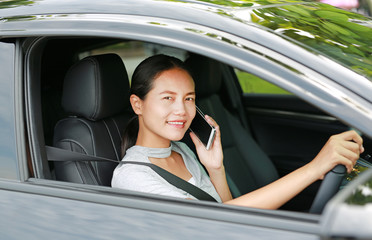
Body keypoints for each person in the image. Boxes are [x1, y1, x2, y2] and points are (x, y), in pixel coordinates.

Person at [111, 54, 364, 209]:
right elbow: (215, 223)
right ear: (137, 104)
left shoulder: (181, 150)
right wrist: (313, 168)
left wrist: (215, 168)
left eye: (189, 99)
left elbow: (227, 212)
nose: (182, 110)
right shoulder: (132, 176)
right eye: (168, 98)